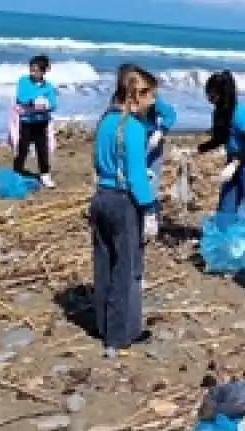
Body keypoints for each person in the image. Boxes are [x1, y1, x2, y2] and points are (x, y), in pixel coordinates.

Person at [91, 65, 159, 358]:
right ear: (135, 95)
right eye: (150, 95)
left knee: (104, 264)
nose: (153, 101)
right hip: (123, 202)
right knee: (127, 269)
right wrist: (150, 209)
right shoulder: (132, 128)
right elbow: (136, 177)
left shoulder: (105, 122)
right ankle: (120, 335)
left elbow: (98, 163)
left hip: (101, 197)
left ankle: (104, 326)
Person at [197, 70, 245, 260]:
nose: (209, 97)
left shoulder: (240, 114)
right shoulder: (218, 112)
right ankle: (224, 243)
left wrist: (235, 164)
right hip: (233, 157)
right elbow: (221, 138)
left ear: (222, 93)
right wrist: (200, 149)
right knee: (227, 202)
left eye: (212, 93)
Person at [13, 55, 58, 188]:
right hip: (27, 121)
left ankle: (45, 174)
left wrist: (45, 105)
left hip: (41, 121)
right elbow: (21, 97)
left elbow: (53, 104)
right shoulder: (23, 81)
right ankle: (17, 170)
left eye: (35, 70)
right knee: (23, 148)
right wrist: (34, 101)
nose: (32, 73)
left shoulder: (48, 86)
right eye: (31, 70)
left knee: (42, 149)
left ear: (43, 72)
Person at [142, 94, 177, 222]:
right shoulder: (127, 99)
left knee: (151, 181)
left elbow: (170, 114)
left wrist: (161, 131)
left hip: (152, 142)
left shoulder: (151, 98)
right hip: (135, 140)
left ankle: (151, 217)